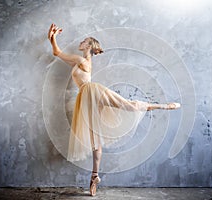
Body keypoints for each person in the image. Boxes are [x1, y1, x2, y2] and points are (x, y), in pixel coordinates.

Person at [48, 23, 181, 196]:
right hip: (86, 97)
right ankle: (94, 177)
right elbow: (56, 52)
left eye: (84, 41)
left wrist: (53, 39)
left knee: (127, 105)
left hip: (93, 92)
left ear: (89, 46)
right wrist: (52, 38)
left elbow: (57, 53)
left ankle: (164, 106)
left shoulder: (81, 60)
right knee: (96, 141)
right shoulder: (81, 61)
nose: (81, 41)